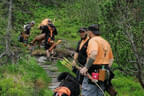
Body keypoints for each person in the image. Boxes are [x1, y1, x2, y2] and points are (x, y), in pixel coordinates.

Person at [80, 24, 114, 96]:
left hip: (93, 72)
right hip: (104, 73)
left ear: (90, 32)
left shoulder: (93, 40)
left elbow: (94, 53)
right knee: (100, 92)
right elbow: (111, 59)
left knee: (87, 92)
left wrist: (86, 67)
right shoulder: (105, 42)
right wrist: (105, 68)